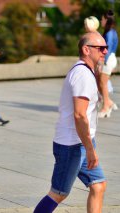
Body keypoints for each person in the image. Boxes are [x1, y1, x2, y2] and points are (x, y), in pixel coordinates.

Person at [33, 32, 107, 213]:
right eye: (101, 48)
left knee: (98, 185)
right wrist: (90, 149)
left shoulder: (85, 71)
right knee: (58, 193)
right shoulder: (82, 75)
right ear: (86, 49)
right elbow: (80, 115)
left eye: (106, 48)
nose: (105, 52)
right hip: (72, 145)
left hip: (81, 142)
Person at [98, 10, 118, 118]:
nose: (101, 21)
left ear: (106, 20)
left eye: (102, 19)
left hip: (108, 59)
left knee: (103, 84)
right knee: (102, 83)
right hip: (110, 59)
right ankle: (108, 103)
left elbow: (108, 48)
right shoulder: (112, 31)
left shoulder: (109, 33)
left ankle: (106, 107)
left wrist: (103, 62)